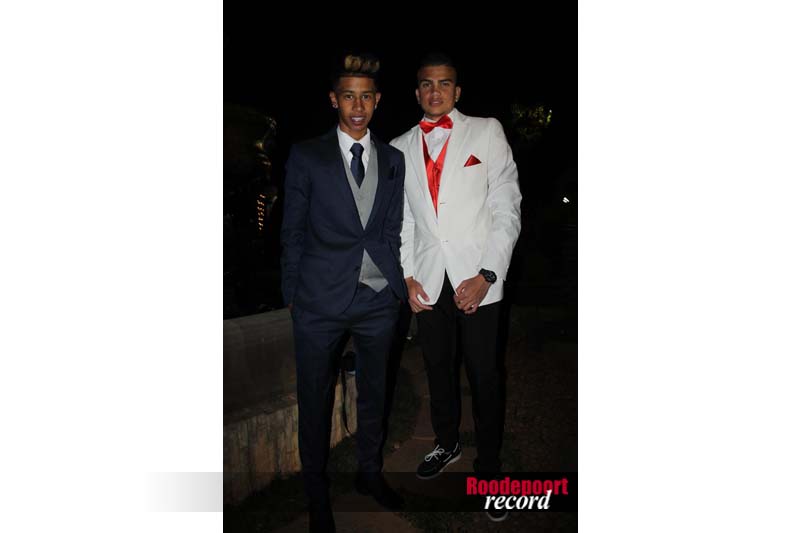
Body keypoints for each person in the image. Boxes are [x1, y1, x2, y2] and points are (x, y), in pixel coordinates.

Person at [390, 52, 522, 522]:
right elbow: (403, 219)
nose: (435, 91)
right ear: (417, 91)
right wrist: (407, 275)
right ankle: (446, 443)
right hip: (428, 281)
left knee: (484, 375)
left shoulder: (486, 132)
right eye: (427, 84)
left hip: (477, 280)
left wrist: (487, 274)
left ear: (457, 91)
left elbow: (506, 206)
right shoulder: (399, 146)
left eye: (444, 83)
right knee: (437, 368)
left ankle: (490, 468)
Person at [281, 53, 406, 532]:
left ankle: (369, 474)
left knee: (375, 393)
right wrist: (293, 293)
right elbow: (292, 230)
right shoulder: (307, 155)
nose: (358, 106)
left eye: (366, 97)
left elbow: (390, 228)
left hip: (377, 300)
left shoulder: (392, 160)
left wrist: (394, 284)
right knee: (315, 400)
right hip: (318, 302)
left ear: (377, 101)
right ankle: (317, 496)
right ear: (334, 100)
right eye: (349, 96)